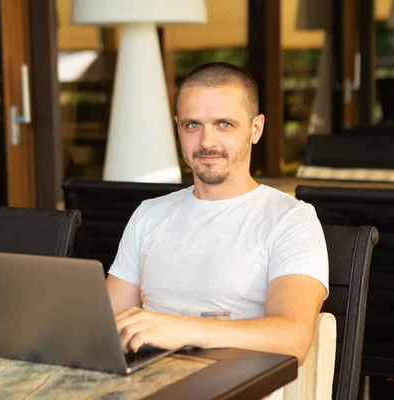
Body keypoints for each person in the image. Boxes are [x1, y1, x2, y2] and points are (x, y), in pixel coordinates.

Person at [106, 62, 328, 399]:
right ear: (177, 127)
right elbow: (106, 327)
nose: (206, 141)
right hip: (149, 388)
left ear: (255, 128)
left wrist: (177, 328)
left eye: (224, 124)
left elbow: (293, 338)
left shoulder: (291, 219)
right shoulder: (149, 215)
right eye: (193, 124)